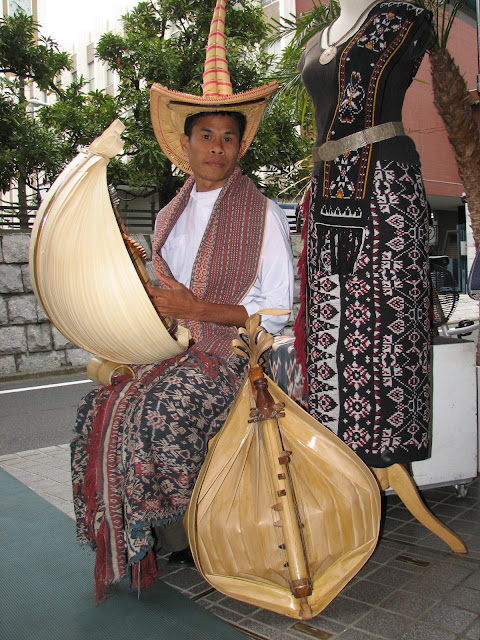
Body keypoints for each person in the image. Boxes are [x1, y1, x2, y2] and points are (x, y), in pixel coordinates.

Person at [71, 1, 293, 602]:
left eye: (228, 138)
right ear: (185, 145)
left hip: (235, 359)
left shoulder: (263, 215)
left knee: (161, 413)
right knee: (98, 408)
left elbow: (277, 309)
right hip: (171, 351)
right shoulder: (168, 218)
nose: (216, 148)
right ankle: (143, 540)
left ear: (239, 147)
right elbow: (161, 300)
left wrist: (196, 310)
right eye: (205, 137)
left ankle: (188, 536)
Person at [293, 0, 433, 468]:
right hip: (327, 195)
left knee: (388, 326)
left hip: (386, 193)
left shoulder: (402, 18)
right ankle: (337, 464)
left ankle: (387, 457)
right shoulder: (315, 42)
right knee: (329, 324)